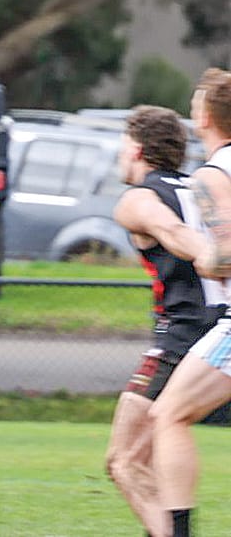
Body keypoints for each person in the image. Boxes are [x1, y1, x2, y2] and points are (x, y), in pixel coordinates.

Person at [106, 104, 222, 535]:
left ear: (137, 149)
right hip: (216, 328)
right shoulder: (202, 186)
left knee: (125, 460)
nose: (120, 155)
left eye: (123, 146)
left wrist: (209, 256)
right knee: (150, 453)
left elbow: (173, 232)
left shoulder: (138, 199)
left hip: (182, 337)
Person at [149, 68, 231, 537]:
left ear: (204, 117)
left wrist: (204, 259)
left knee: (169, 415)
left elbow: (226, 255)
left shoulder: (213, 174)